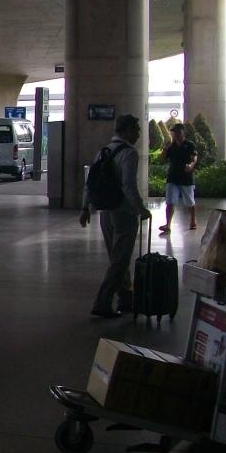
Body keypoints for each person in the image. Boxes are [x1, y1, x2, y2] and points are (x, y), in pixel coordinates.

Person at [79, 113, 151, 318]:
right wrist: (140, 209)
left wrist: (85, 208)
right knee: (120, 260)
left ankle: (126, 298)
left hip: (105, 213)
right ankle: (102, 303)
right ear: (127, 131)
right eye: (136, 130)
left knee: (118, 257)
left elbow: (90, 183)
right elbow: (128, 185)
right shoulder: (129, 153)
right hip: (124, 213)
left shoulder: (104, 151)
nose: (139, 134)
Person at [159, 123, 198, 233]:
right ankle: (168, 224)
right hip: (172, 177)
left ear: (183, 132)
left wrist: (191, 165)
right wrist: (165, 149)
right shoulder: (171, 146)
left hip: (186, 177)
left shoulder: (189, 145)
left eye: (178, 132)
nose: (176, 134)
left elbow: (194, 157)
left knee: (189, 201)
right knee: (170, 201)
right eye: (174, 132)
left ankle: (193, 220)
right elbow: (162, 159)